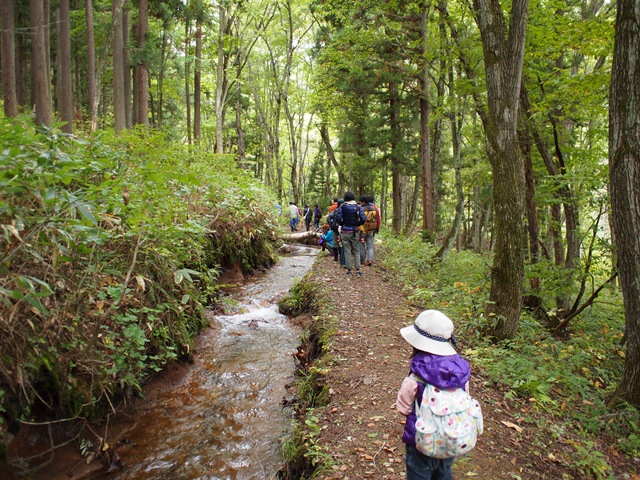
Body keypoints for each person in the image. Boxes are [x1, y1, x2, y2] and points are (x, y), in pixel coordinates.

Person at [395, 310, 471, 480]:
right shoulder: (461, 373)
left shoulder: (415, 377)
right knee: (444, 473)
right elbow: (465, 397)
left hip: (420, 440)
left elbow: (404, 407)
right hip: (451, 436)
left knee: (418, 473)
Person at [336, 191, 366, 276]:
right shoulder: (358, 207)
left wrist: (343, 224)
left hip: (345, 231)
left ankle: (349, 270)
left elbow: (338, 218)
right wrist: (357, 224)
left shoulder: (342, 206)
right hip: (354, 231)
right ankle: (357, 270)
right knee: (356, 250)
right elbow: (363, 219)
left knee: (347, 251)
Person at [360, 195, 381, 266]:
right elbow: (377, 219)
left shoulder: (361, 209)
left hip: (363, 229)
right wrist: (376, 228)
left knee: (362, 245)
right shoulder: (374, 209)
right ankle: (370, 260)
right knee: (370, 245)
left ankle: (362, 260)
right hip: (371, 229)